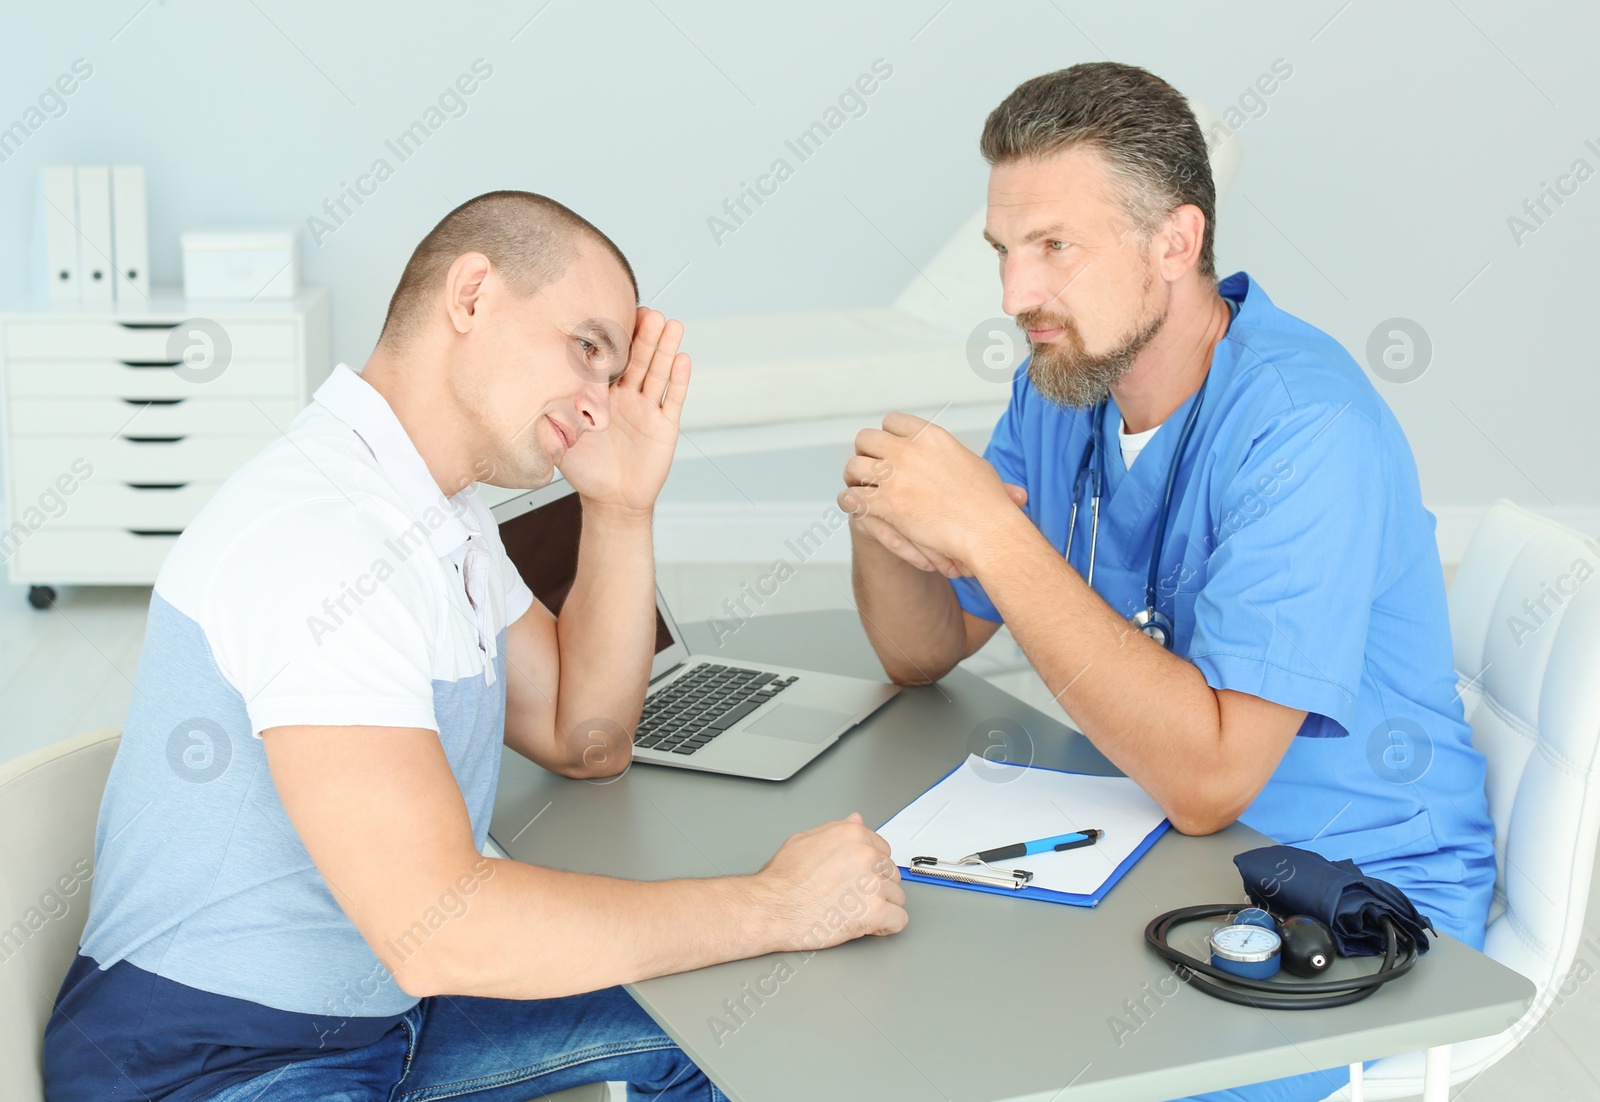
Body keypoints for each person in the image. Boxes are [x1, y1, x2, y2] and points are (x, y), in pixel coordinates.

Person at [45, 191, 907, 1102]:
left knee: (735, 1030)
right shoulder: (322, 537)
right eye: (586, 350)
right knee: (749, 951)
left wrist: (619, 505)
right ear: (470, 296)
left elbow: (588, 737)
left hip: (391, 1019)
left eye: (613, 376)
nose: (598, 404)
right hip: (208, 1063)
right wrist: (773, 904)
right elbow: (436, 928)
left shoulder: (439, 517)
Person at [841, 63, 1496, 1102]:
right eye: (1004, 254)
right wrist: (884, 511)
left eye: (1054, 247)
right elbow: (922, 650)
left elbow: (1208, 780)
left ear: (1175, 243)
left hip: (1343, 895)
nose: (1015, 297)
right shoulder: (1062, 387)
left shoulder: (1303, 429)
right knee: (888, 1014)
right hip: (1164, 848)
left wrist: (991, 538)